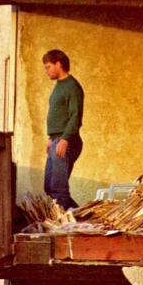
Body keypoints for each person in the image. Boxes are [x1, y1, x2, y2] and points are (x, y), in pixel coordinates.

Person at [43, 49, 84, 210]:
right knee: (49, 187)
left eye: (48, 67)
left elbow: (75, 116)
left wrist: (65, 139)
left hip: (66, 141)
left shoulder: (72, 86)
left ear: (58, 64)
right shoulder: (59, 86)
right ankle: (80, 216)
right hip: (56, 139)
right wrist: (50, 138)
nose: (46, 71)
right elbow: (58, 114)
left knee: (59, 190)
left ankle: (76, 220)